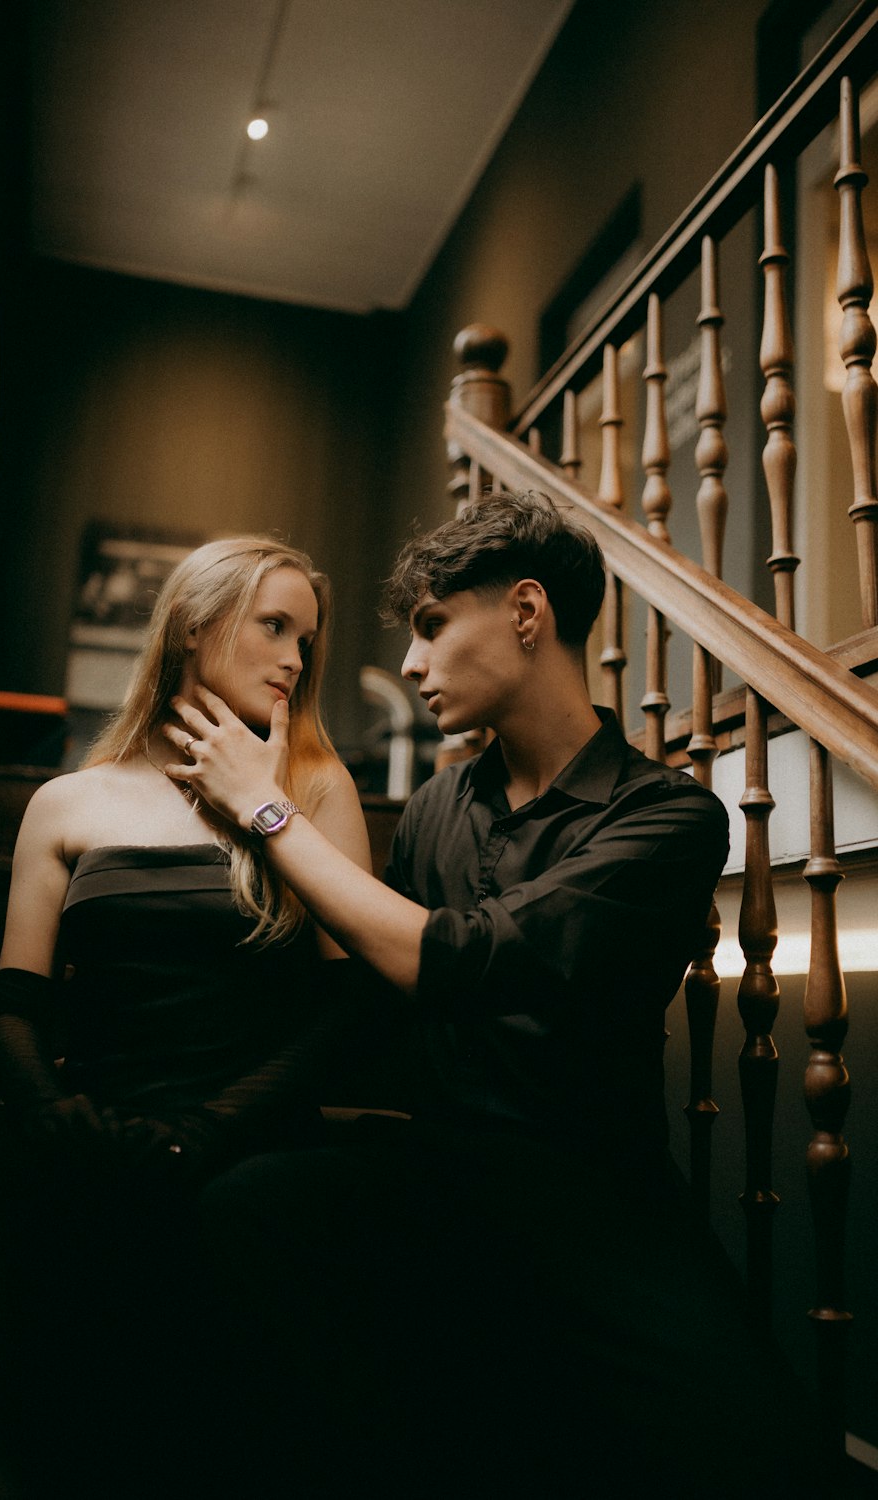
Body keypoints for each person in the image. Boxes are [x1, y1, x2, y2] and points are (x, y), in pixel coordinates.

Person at [165, 492, 819, 1497]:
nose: (414, 666)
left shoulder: (668, 817)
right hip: (439, 1170)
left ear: (524, 613)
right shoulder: (435, 806)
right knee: (246, 1210)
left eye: (431, 627)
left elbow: (451, 959)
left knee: (758, 1449)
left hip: (592, 1193)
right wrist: (211, 1117)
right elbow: (381, 1004)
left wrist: (266, 807)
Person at [0, 534, 373, 1496]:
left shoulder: (311, 788)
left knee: (223, 1236)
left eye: (306, 639)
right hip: (100, 1127)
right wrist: (54, 1117)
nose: (296, 660)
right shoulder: (70, 802)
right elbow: (14, 1008)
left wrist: (210, 1130)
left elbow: (353, 1007)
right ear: (193, 625)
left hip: (248, 1136)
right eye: (275, 626)